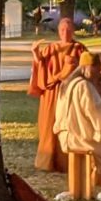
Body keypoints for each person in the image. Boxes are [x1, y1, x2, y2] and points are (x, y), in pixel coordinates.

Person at [55, 52, 101, 201]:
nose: (98, 72)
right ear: (89, 67)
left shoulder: (68, 84)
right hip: (80, 137)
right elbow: (94, 110)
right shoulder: (84, 85)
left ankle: (94, 184)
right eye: (97, 68)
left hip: (66, 134)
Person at [28, 15, 80, 174]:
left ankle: (65, 161)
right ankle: (47, 160)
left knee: (67, 125)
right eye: (63, 30)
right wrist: (35, 53)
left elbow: (85, 69)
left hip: (69, 92)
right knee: (48, 124)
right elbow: (40, 64)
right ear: (58, 31)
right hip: (51, 92)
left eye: (69, 30)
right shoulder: (51, 48)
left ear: (73, 31)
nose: (65, 33)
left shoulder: (79, 48)